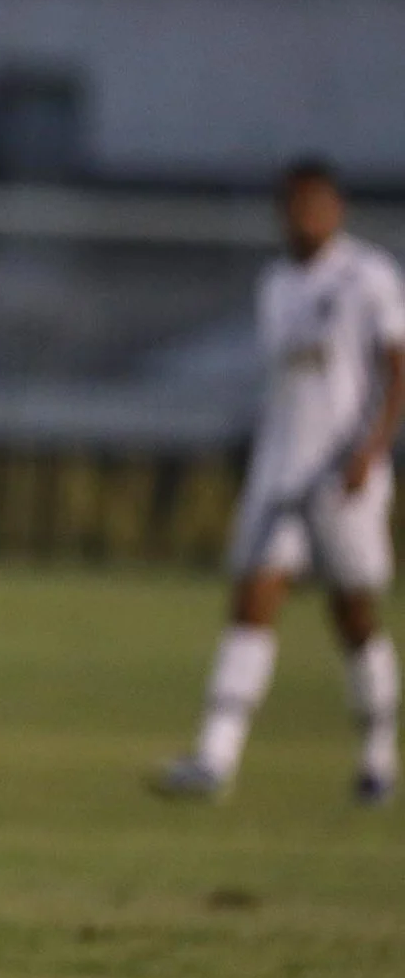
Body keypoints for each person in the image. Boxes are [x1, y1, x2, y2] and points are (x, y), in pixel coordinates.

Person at [156, 159, 405, 805]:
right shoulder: (276, 283)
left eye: (312, 205)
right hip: (280, 471)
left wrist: (372, 450)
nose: (300, 218)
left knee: (353, 615)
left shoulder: (368, 277)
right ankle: (215, 757)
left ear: (336, 209)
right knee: (251, 603)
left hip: (343, 475)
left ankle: (378, 754)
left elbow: (395, 369)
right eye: (291, 206)